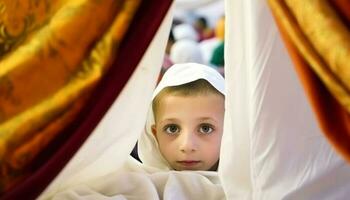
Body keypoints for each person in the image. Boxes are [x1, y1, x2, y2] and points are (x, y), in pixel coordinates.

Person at [138, 62, 225, 171]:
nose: (187, 146)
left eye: (205, 128)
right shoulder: (139, 185)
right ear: (155, 135)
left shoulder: (247, 185)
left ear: (228, 133)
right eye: (172, 128)